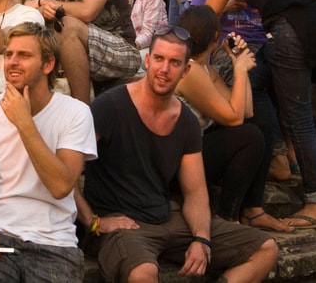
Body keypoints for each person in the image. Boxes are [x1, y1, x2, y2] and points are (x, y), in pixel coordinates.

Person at [78, 28, 278, 282]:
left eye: (174, 63)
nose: (164, 69)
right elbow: (65, 172)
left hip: (167, 217)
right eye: (159, 59)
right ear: (147, 61)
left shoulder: (186, 122)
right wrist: (93, 222)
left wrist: (201, 239)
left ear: (185, 71)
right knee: (143, 274)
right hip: (122, 224)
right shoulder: (109, 107)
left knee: (265, 248)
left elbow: (195, 192)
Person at [204, 0, 316, 229]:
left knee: (299, 116)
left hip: (288, 30)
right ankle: (273, 155)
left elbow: (209, 7)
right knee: (251, 79)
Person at [0, 23, 96, 281]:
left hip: (54, 246)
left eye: (24, 55)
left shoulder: (75, 113)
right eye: (8, 54)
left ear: (48, 65)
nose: (12, 62)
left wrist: (24, 123)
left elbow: (61, 186)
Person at [172, 7, 294, 232]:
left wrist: (239, 64)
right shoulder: (189, 69)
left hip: (196, 149)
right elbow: (234, 119)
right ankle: (228, 218)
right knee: (250, 136)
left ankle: (253, 211)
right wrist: (239, 70)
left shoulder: (206, 68)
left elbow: (245, 111)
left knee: (259, 125)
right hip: (179, 160)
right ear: (216, 38)